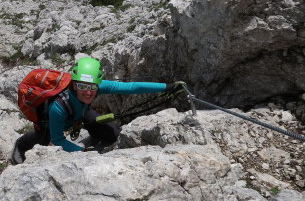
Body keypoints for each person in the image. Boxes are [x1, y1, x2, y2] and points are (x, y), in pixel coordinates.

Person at [11, 56, 182, 164]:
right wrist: (81, 152)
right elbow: (57, 139)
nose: (87, 91)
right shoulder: (58, 107)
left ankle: (93, 137)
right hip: (52, 122)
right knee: (43, 138)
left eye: (92, 87)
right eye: (82, 86)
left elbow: (130, 86)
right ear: (74, 85)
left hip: (79, 113)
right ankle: (20, 144)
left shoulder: (96, 87)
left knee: (112, 132)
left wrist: (167, 87)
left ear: (97, 84)